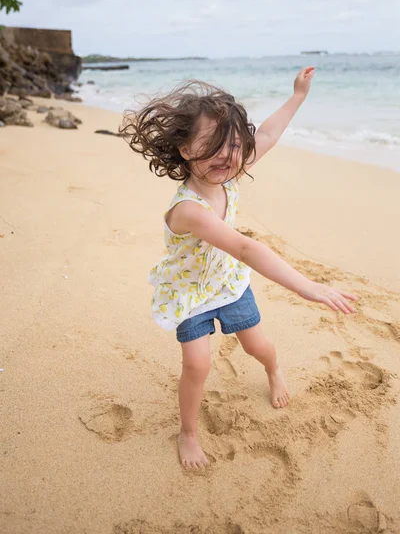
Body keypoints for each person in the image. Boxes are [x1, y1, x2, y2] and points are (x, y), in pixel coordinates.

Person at [120, 68, 357, 469]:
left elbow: (266, 134)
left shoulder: (229, 172)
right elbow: (245, 248)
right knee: (197, 363)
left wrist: (297, 96)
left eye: (232, 146)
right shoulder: (189, 210)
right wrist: (305, 286)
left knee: (257, 346)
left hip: (228, 283)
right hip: (191, 292)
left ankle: (274, 370)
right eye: (211, 146)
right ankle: (189, 432)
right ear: (184, 150)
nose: (226, 156)